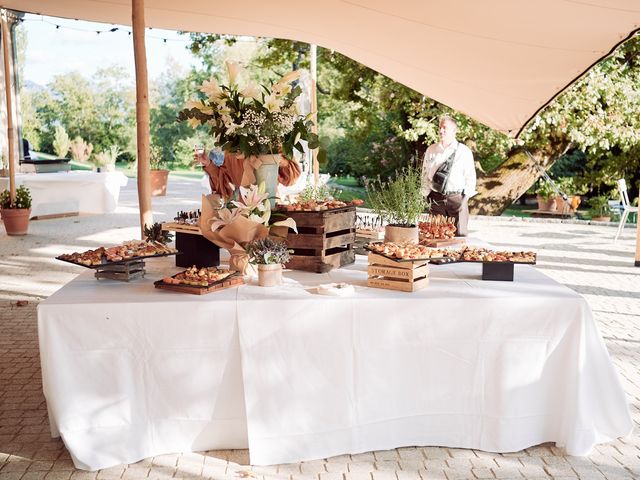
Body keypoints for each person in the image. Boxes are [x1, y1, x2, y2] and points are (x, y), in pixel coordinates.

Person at [421, 116, 477, 236]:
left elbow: (470, 177)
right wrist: (425, 196)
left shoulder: (464, 151)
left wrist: (464, 199)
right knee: (436, 236)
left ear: (454, 131)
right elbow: (425, 175)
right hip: (436, 200)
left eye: (445, 128)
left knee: (459, 237)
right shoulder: (431, 149)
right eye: (440, 127)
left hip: (457, 199)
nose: (441, 131)